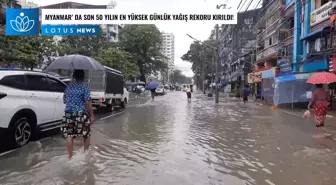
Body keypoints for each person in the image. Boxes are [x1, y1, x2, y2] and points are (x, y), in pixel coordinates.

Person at [62, 69, 95, 159]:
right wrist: (91, 115)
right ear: (83, 77)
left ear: (74, 77)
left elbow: (64, 101)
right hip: (81, 114)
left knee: (69, 135)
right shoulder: (85, 88)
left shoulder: (68, 88)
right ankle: (85, 154)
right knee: (86, 134)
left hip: (68, 114)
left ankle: (70, 157)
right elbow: (88, 103)